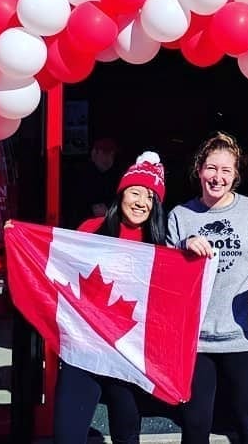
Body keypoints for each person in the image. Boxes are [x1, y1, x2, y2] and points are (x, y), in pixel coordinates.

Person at [168, 132, 248, 444]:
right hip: (195, 341)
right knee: (195, 426)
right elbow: (165, 273)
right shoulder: (180, 216)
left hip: (245, 337)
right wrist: (185, 246)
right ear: (199, 170)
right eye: (211, 168)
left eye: (226, 170)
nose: (218, 177)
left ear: (236, 175)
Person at [55, 151, 168, 444]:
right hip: (84, 349)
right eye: (135, 192)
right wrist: (21, 236)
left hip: (126, 353)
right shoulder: (90, 229)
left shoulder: (160, 244)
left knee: (126, 434)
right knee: (67, 435)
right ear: (121, 194)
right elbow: (60, 267)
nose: (142, 202)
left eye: (150, 197)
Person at [63, 137, 122, 228]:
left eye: (112, 154)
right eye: (105, 153)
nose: (108, 158)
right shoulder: (79, 174)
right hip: (82, 227)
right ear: (94, 153)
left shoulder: (116, 177)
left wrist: (109, 208)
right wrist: (90, 209)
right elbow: (72, 203)